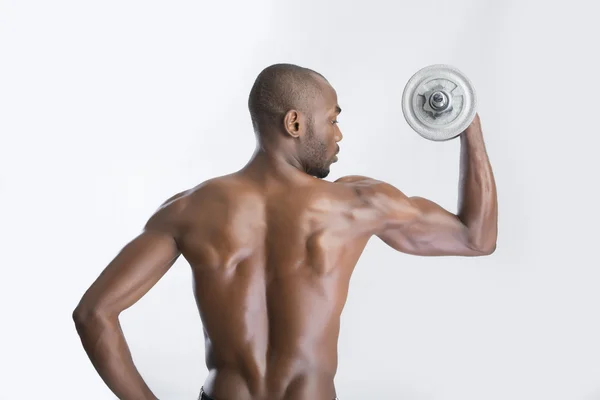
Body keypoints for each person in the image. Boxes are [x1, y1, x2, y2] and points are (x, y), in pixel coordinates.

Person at [73, 63, 498, 400]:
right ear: (295, 124)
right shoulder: (357, 205)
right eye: (332, 120)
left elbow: (95, 313)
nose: (339, 134)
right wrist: (469, 129)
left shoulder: (190, 209)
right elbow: (475, 237)